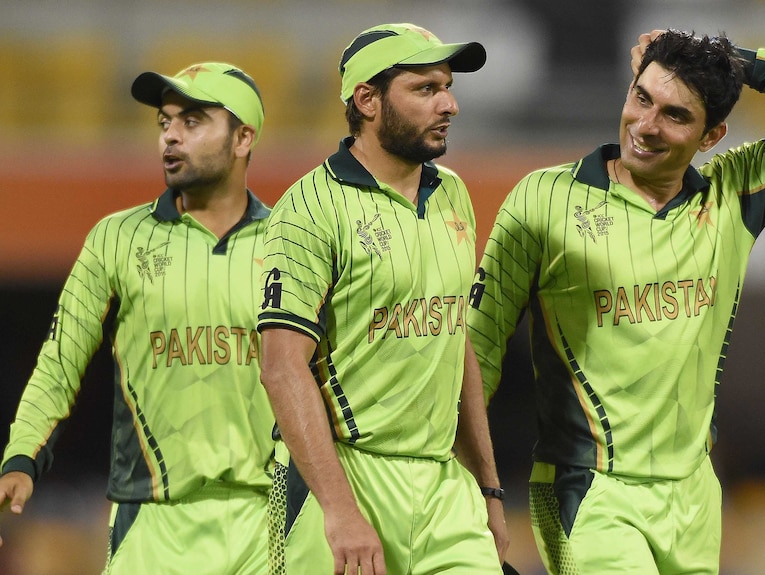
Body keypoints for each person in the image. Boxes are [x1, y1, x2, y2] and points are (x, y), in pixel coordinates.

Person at [468, 29, 765, 575]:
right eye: (641, 98)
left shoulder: (733, 196)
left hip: (695, 497)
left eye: (676, 115)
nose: (646, 125)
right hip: (588, 491)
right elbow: (476, 348)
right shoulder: (544, 199)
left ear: (711, 135)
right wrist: (470, 485)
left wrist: (733, 62)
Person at [0, 62, 275, 574]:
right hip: (152, 520)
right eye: (164, 122)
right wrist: (21, 457)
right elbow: (60, 362)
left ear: (243, 138)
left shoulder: (293, 242)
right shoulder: (117, 238)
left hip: (271, 519)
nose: (170, 135)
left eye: (192, 121)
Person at [258, 22, 509, 575]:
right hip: (344, 478)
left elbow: (454, 341)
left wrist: (488, 489)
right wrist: (340, 511)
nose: (449, 105)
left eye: (448, 87)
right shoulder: (309, 208)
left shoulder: (454, 194)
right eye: (425, 89)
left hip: (443, 487)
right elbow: (281, 368)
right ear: (366, 100)